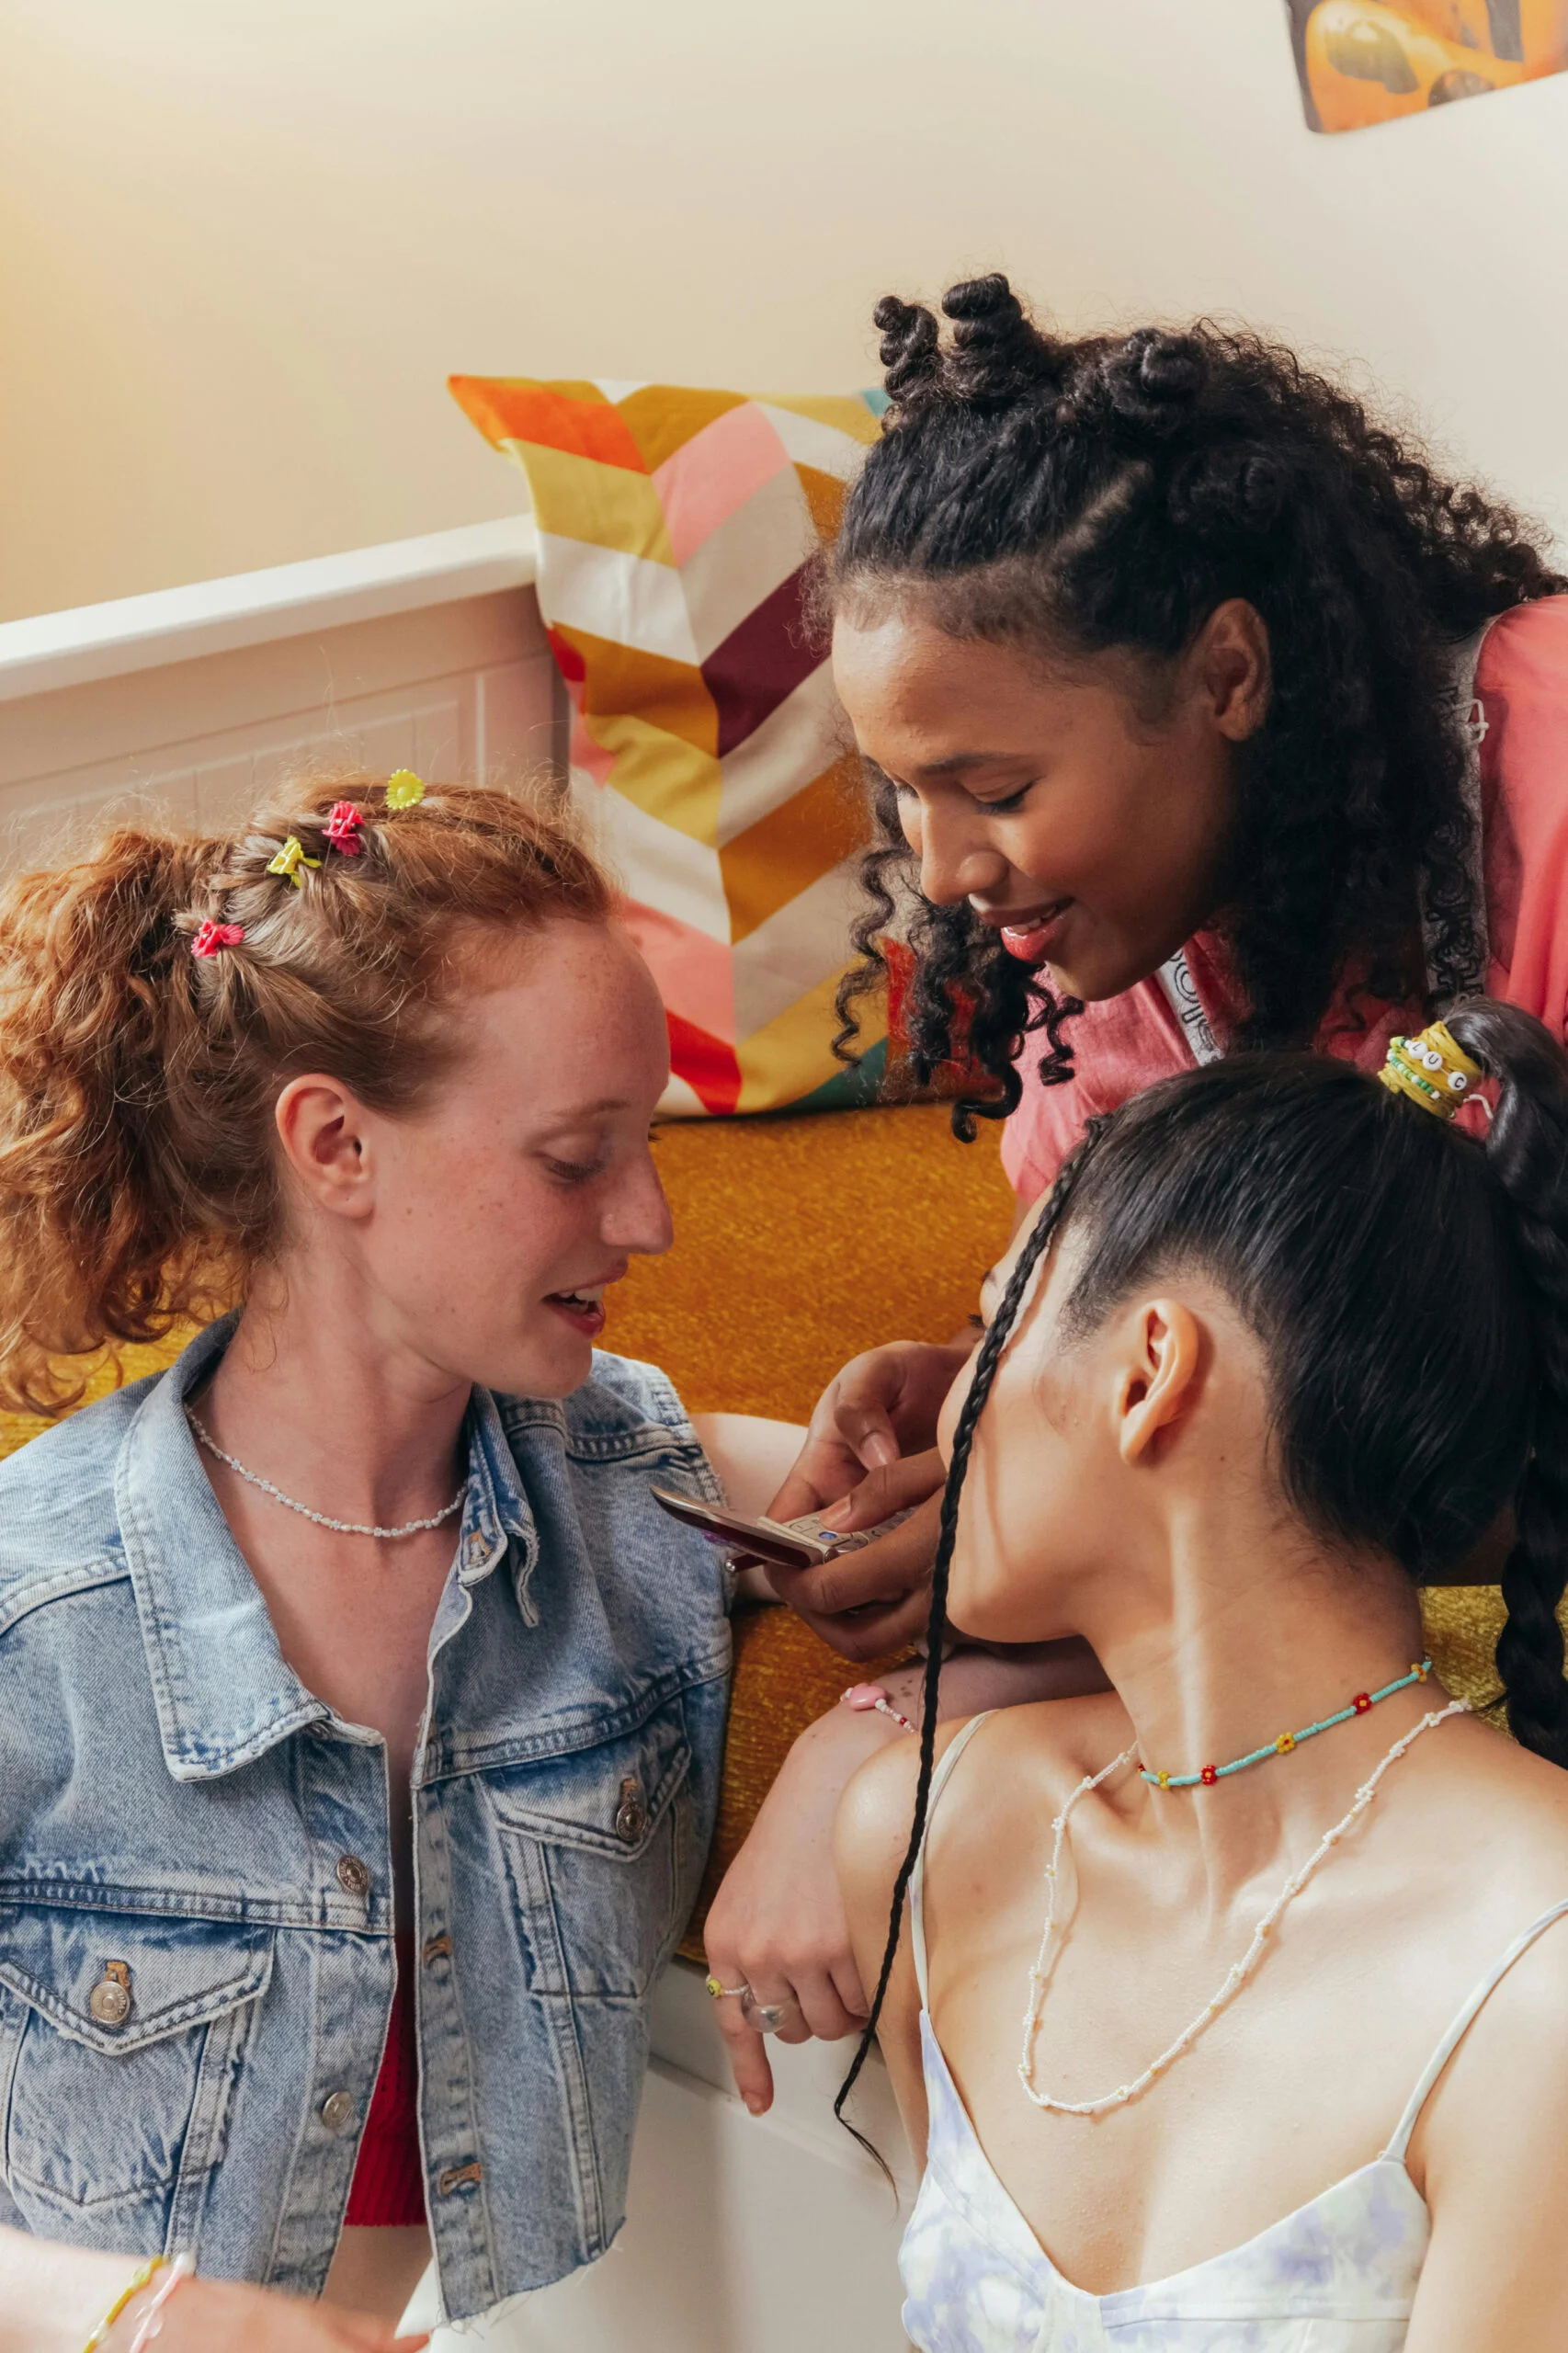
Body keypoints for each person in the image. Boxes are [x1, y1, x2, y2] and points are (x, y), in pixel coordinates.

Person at [0, 773, 769, 2345]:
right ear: (336, 1143)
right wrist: (150, 2318)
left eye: (646, 1143)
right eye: (577, 1158)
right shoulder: (40, 1616)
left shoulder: (633, 1487)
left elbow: (1016, 1536)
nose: (651, 1219)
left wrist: (860, 1764)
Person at [764, 268, 1568, 1665]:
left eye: (996, 790)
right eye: (902, 790)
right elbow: (1163, 1318)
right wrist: (989, 1396)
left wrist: (1107, 1491)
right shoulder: (1102, 943)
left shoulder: (1547, 778)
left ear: (1227, 677)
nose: (939, 874)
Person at [835, 1002, 1568, 2349]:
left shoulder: (1539, 1970)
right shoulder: (930, 1825)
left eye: (992, 1325)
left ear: (1149, 1375)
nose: (949, 1411)